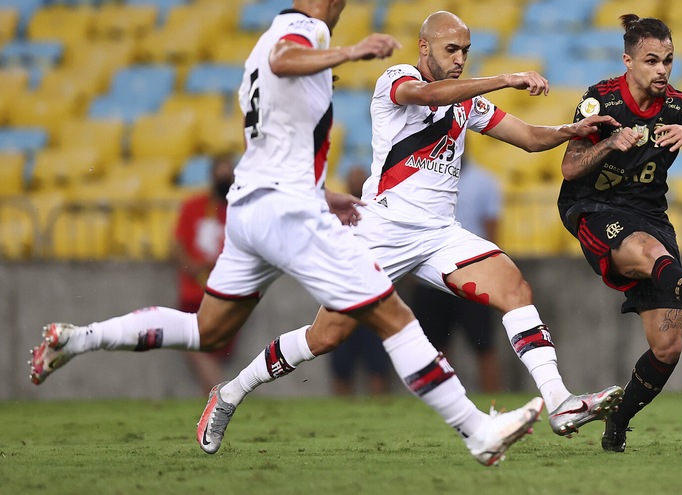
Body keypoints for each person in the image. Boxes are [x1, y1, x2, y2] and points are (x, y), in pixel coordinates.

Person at [29, 0, 542, 467]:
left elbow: (276, 123)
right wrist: (349, 51)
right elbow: (285, 58)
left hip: (252, 203)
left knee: (208, 329)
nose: (342, 7)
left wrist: (325, 196)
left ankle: (79, 338)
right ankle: (479, 431)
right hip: (286, 212)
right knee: (394, 317)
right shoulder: (303, 31)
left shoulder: (261, 44)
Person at [214, 10, 626, 442]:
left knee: (515, 289)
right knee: (326, 336)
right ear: (424, 46)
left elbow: (529, 138)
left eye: (466, 51)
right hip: (381, 230)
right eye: (452, 50)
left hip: (437, 234)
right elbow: (429, 96)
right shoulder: (396, 78)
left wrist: (572, 130)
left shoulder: (467, 101)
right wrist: (506, 78)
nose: (460, 58)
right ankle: (230, 392)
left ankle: (559, 403)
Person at [556, 14, 682, 453]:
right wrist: (609, 142)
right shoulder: (599, 101)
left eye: (668, 60)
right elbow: (569, 167)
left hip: (650, 214)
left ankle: (617, 423)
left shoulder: (678, 105)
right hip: (593, 209)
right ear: (628, 61)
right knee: (647, 252)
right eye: (652, 61)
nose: (662, 69)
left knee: (668, 347)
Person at [410, 159, 503, 393]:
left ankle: (493, 397)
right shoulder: (421, 179)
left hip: (471, 276)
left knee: (484, 345)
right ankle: (448, 399)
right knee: (435, 347)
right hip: (431, 278)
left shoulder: (484, 181)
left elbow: (491, 230)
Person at [173, 154, 236, 395]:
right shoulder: (193, 206)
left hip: (223, 292)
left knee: (209, 349)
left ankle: (217, 396)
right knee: (195, 345)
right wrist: (191, 265)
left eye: (227, 174)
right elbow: (176, 244)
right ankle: (218, 396)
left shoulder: (237, 210)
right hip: (193, 290)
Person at [328, 165, 392, 396]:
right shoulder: (332, 215)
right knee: (341, 362)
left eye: (359, 179)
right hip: (344, 294)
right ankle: (343, 411)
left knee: (377, 362)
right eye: (352, 179)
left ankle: (380, 411)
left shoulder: (379, 213)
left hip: (373, 296)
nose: (356, 184)